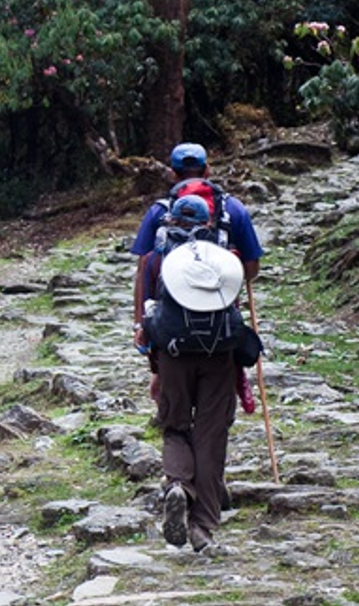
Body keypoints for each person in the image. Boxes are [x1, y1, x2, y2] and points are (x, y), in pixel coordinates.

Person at [129, 142, 265, 552]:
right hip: (220, 345)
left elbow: (144, 275)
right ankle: (203, 528)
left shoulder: (157, 218)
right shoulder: (233, 212)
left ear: (172, 174)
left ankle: (178, 487)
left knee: (174, 423)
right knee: (211, 434)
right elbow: (251, 271)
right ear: (207, 168)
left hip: (171, 346)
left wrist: (142, 332)